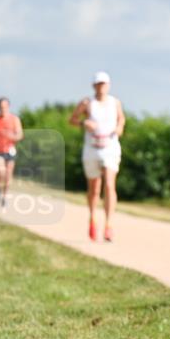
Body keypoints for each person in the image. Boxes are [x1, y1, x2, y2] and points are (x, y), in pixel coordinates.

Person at [70, 71, 125, 241]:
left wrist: (119, 128)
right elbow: (72, 120)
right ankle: (93, 218)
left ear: (108, 85)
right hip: (92, 148)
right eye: (98, 84)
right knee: (94, 189)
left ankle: (109, 225)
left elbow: (121, 119)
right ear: (94, 86)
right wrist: (83, 122)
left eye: (104, 84)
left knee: (109, 184)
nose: (101, 87)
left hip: (110, 147)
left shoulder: (115, 102)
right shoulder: (87, 103)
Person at [0, 97, 24, 207]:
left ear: (8, 106)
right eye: (1, 107)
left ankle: (4, 197)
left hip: (10, 150)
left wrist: (12, 136)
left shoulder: (14, 119)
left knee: (8, 175)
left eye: (5, 106)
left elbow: (20, 135)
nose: (3, 109)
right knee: (1, 171)